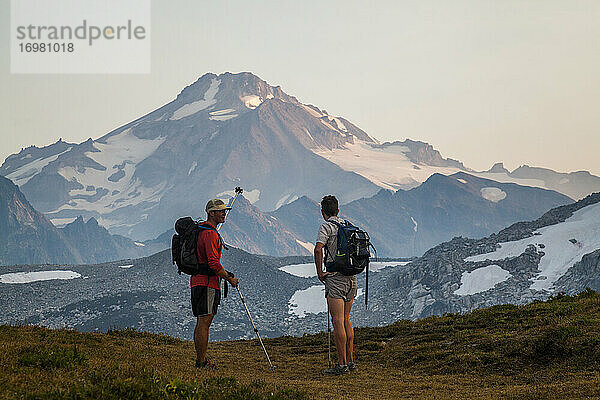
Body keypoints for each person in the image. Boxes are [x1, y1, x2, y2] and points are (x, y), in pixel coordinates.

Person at [192, 198, 239, 370]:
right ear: (211, 213)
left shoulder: (201, 231)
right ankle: (201, 362)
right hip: (208, 283)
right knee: (205, 322)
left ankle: (200, 360)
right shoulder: (210, 234)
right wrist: (229, 278)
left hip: (197, 281)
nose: (224, 213)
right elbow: (213, 263)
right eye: (220, 211)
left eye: (224, 210)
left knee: (201, 321)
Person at [314, 195, 357, 375]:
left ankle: (341, 365)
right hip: (352, 277)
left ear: (323, 212)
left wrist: (320, 273)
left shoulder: (326, 226)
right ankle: (351, 361)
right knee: (346, 319)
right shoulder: (347, 225)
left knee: (337, 320)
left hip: (335, 278)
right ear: (338, 211)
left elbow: (318, 249)